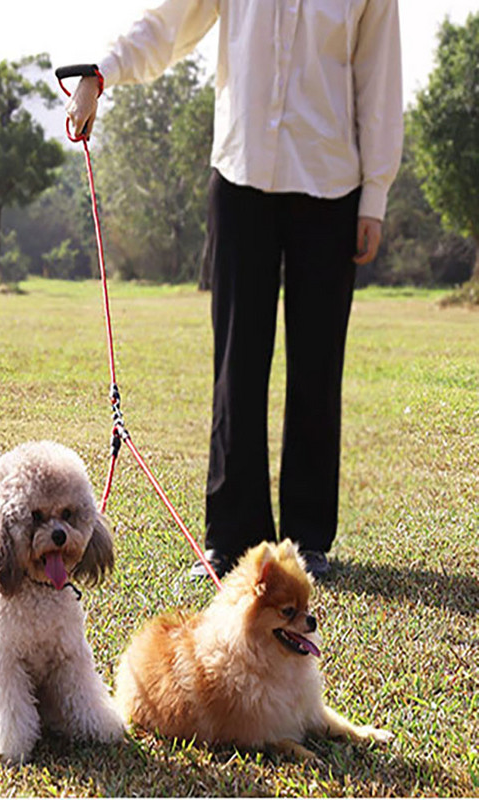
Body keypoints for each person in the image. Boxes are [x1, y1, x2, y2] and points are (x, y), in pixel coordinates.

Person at [66, 0, 403, 580]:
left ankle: (307, 541)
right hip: (241, 175)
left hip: (332, 183)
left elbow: (379, 79)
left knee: (318, 366)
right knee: (236, 365)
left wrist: (375, 194)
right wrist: (100, 73)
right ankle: (231, 540)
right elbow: (167, 26)